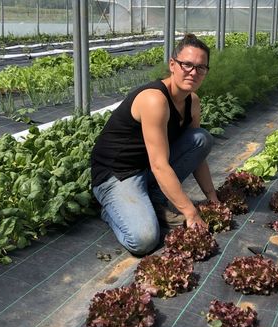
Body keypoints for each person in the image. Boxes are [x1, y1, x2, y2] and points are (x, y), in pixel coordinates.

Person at [90, 33, 219, 256]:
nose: (193, 72)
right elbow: (160, 165)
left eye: (201, 67)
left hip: (147, 170)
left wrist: (212, 197)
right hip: (117, 175)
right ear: (172, 64)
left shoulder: (192, 102)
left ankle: (154, 197)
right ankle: (110, 209)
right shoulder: (154, 99)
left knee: (200, 139)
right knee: (143, 240)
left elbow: (197, 157)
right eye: (186, 64)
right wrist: (190, 212)